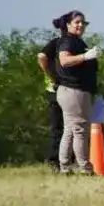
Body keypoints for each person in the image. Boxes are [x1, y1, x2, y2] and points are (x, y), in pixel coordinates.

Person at [54, 10, 100, 175]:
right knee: (80, 129)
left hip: (73, 91)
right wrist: (85, 56)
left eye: (83, 22)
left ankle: (65, 166)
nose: (81, 25)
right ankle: (84, 167)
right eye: (77, 22)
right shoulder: (68, 40)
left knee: (70, 130)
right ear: (68, 25)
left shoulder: (77, 41)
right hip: (74, 91)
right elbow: (64, 60)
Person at [36, 15, 72, 173]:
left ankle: (66, 159)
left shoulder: (70, 43)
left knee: (68, 126)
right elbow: (41, 56)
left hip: (68, 88)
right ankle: (55, 161)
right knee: (58, 126)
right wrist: (51, 74)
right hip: (56, 89)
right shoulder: (58, 42)